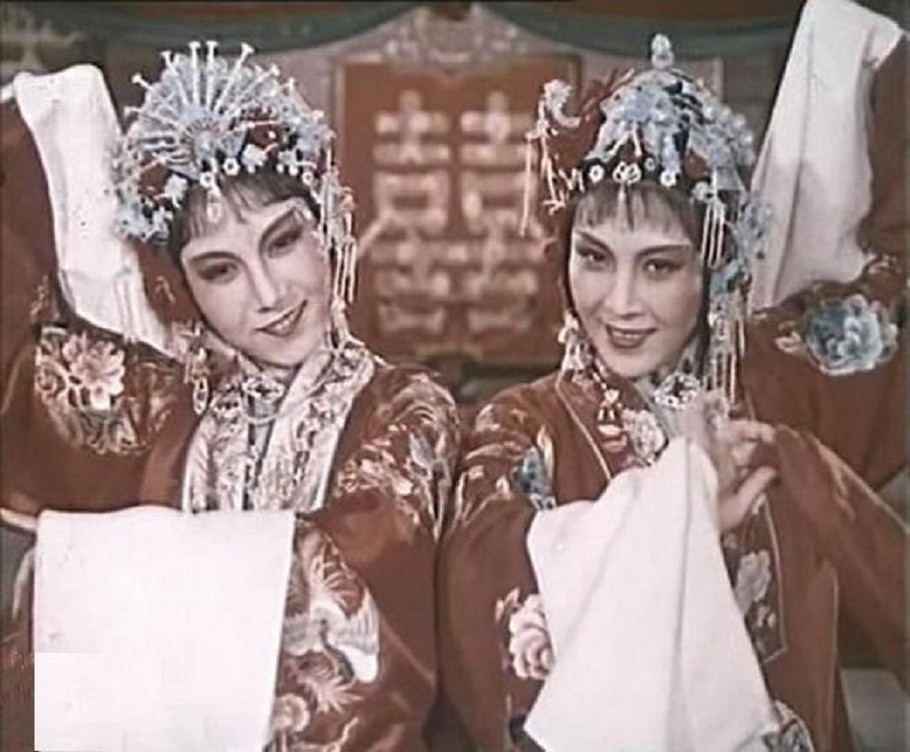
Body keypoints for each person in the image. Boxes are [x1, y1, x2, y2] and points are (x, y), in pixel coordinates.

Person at [438, 30, 906, 752]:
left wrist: (882, 68)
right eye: (595, 258)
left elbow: (898, 292)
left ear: (713, 268)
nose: (620, 304)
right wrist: (680, 515)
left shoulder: (784, 380)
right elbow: (486, 610)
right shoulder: (520, 429)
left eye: (658, 267)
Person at [1, 42, 459, 752]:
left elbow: (361, 603)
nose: (268, 295)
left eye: (281, 242)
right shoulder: (163, 409)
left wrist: (119, 571)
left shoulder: (405, 408)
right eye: (220, 271)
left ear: (329, 223)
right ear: (181, 287)